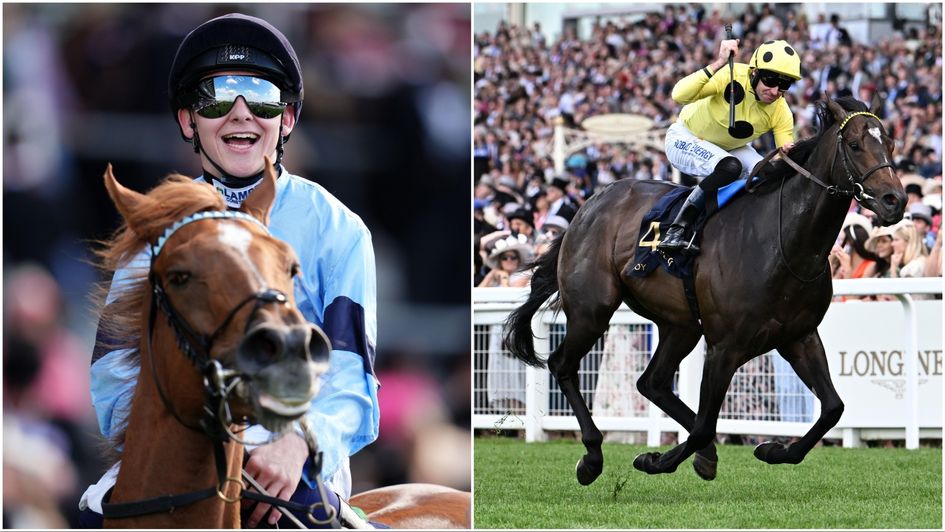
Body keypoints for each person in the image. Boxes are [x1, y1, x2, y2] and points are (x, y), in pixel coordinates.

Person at [79, 13, 380, 529]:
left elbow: (353, 381)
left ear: (285, 120)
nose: (241, 115)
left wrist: (300, 440)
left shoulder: (339, 229)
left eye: (260, 98)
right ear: (187, 121)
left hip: (293, 461)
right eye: (217, 99)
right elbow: (111, 377)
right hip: (172, 456)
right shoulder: (153, 228)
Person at [659, 38, 801, 254]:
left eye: (784, 85)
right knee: (730, 167)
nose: (775, 91)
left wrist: (792, 151)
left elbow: (785, 151)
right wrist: (719, 63)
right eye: (770, 80)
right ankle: (677, 230)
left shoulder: (781, 111)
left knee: (767, 173)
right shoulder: (729, 75)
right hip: (685, 137)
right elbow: (679, 94)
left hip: (728, 148)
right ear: (754, 72)